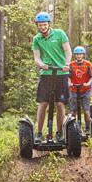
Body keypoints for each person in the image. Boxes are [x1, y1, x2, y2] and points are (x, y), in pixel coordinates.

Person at [32, 12, 72, 144]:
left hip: (61, 73)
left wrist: (67, 64)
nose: (42, 27)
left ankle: (59, 133)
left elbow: (67, 51)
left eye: (44, 24)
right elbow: (36, 57)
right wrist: (41, 64)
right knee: (43, 103)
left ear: (49, 24)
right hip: (46, 74)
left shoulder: (59, 33)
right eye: (40, 25)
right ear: (37, 26)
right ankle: (38, 133)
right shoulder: (37, 39)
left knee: (60, 104)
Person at [68, 46, 92, 134]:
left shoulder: (88, 64)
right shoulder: (71, 65)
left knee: (86, 111)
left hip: (85, 90)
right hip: (74, 89)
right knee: (73, 111)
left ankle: (88, 128)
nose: (79, 56)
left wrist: (88, 83)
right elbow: (67, 77)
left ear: (83, 55)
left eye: (80, 54)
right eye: (77, 54)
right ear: (75, 55)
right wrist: (69, 83)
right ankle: (73, 129)